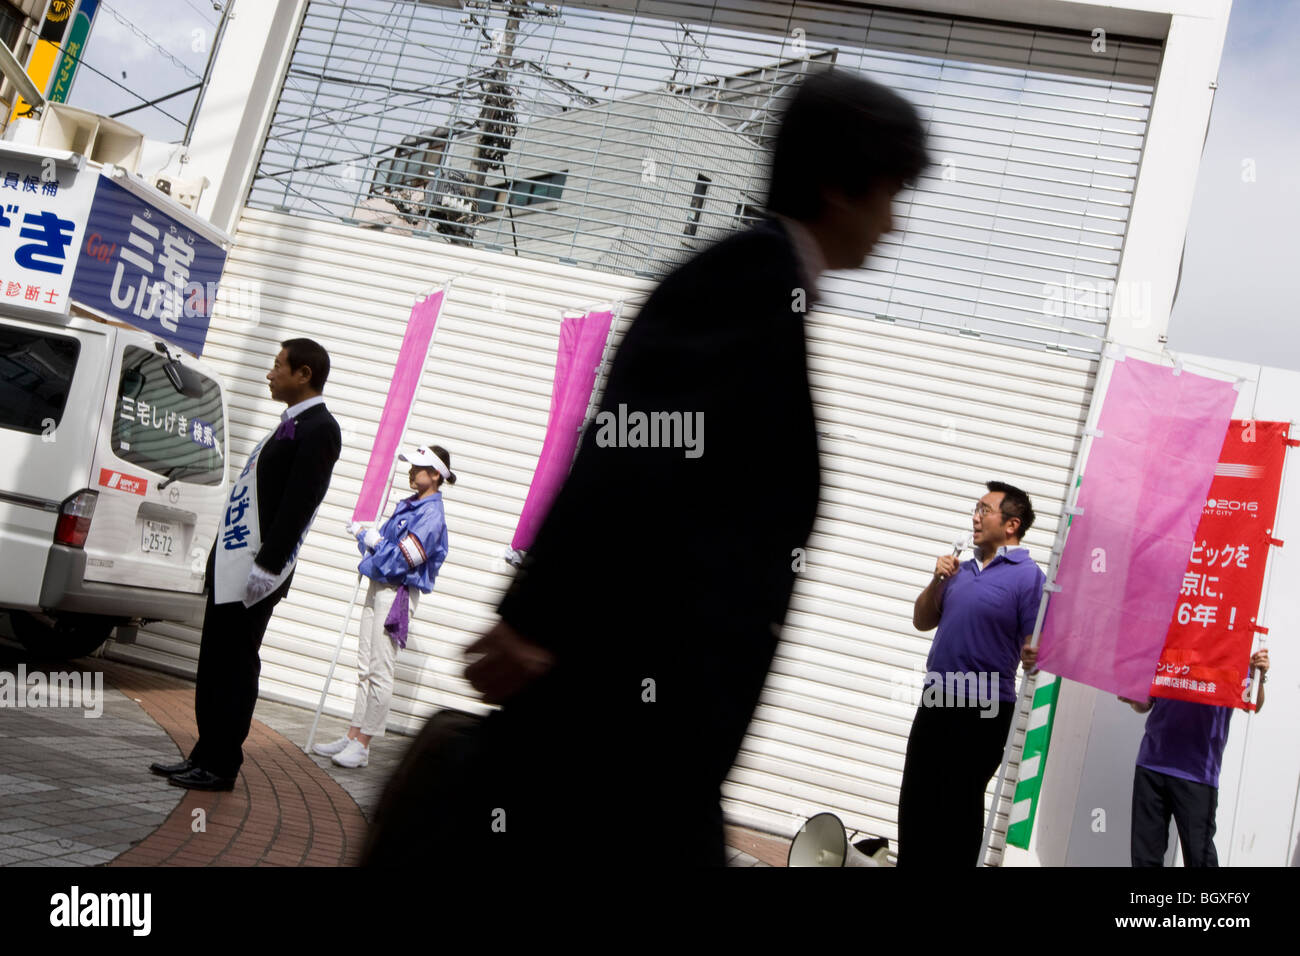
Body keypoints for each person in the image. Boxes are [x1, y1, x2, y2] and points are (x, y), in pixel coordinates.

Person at [361, 68, 930, 866]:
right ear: (841, 186)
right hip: (628, 713)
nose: (896, 224)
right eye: (893, 192)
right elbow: (632, 448)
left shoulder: (768, 291)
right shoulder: (743, 282)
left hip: (655, 726)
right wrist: (535, 615)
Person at [150, 338, 341, 791]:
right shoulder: (288, 425)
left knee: (235, 665)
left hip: (258, 573)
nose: (270, 374)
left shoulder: (320, 429)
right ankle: (204, 752)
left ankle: (221, 764)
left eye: (278, 366)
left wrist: (267, 567)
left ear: (304, 374)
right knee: (215, 661)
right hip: (234, 565)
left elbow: (299, 504)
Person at [899, 481, 1045, 866]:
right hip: (937, 696)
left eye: (985, 510)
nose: (975, 517)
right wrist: (937, 579)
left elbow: (1036, 644)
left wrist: (1036, 653)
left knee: (958, 801)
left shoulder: (1028, 576)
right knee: (917, 797)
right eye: (975, 509)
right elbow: (921, 620)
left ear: (1011, 524)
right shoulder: (958, 569)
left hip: (985, 706)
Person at [314, 445, 454, 769]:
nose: (410, 471)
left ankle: (364, 744)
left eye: (418, 466)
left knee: (380, 668)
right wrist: (365, 536)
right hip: (378, 584)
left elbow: (401, 560)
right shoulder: (410, 503)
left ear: (435, 475)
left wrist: (375, 541)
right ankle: (353, 734)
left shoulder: (432, 516)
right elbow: (385, 550)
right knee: (365, 665)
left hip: (398, 594)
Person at [1122, 648, 1270, 867]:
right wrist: (1133, 695)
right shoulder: (1173, 643)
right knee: (1144, 859)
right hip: (1152, 763)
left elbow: (1252, 704)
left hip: (1197, 773)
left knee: (1200, 859)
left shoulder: (1232, 647)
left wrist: (1257, 673)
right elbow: (1146, 703)